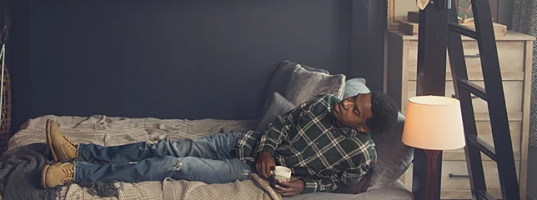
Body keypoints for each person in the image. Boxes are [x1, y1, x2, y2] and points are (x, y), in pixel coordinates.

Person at [40, 91, 399, 196]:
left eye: (354, 110)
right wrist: (267, 149)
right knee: (162, 147)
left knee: (170, 167)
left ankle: (76, 172)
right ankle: (82, 151)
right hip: (245, 144)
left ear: (364, 129)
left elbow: (343, 183)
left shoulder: (360, 155)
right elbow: (283, 123)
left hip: (243, 169)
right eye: (353, 98)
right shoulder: (324, 102)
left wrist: (306, 184)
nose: (346, 104)